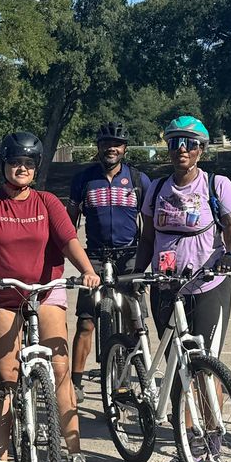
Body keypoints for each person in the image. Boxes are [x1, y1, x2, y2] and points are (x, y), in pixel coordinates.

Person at [0, 131, 101, 462]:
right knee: (5, 376)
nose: (21, 169)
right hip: (1, 294)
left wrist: (86, 269)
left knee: (60, 369)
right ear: (4, 164)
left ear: (36, 168)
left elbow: (69, 240)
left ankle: (75, 456)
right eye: (15, 162)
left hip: (45, 291)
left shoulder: (47, 202)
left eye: (28, 164)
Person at [135, 116, 231, 462]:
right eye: (175, 142)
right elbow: (148, 238)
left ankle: (211, 451)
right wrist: (136, 274)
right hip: (166, 288)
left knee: (205, 367)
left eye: (190, 143)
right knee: (179, 371)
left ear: (201, 148)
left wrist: (229, 257)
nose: (181, 149)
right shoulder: (157, 188)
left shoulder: (217, 184)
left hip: (207, 286)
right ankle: (187, 448)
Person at [68, 122, 150, 402]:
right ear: (98, 147)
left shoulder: (139, 180)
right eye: (105, 143)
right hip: (95, 255)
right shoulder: (83, 179)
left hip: (129, 254)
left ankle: (127, 378)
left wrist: (146, 261)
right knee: (86, 323)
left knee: (133, 320)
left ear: (125, 148)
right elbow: (69, 224)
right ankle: (76, 382)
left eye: (116, 144)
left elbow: (149, 224)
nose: (111, 148)